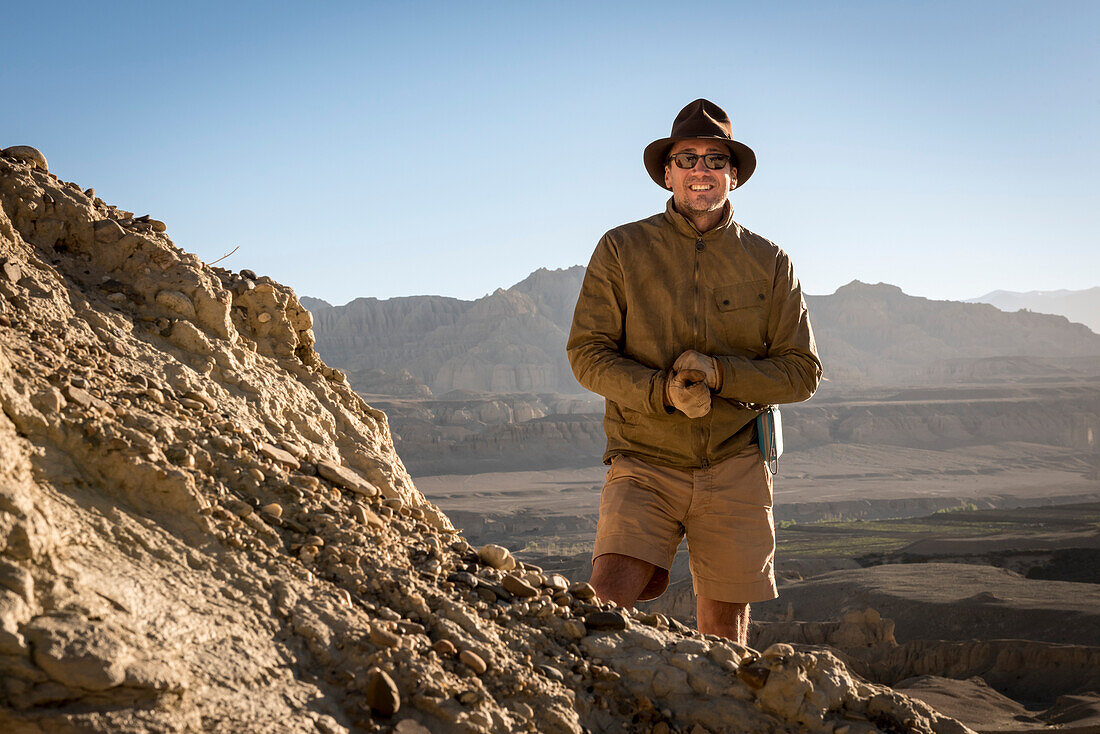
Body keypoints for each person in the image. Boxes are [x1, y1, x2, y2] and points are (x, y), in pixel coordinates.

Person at [566, 99, 821, 644]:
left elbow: (802, 372)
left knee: (724, 636)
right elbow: (587, 353)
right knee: (604, 603)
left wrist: (722, 375)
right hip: (643, 460)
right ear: (667, 172)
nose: (699, 171)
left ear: (733, 174)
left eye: (713, 159)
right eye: (687, 159)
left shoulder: (770, 262)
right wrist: (662, 391)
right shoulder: (621, 249)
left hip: (736, 463)